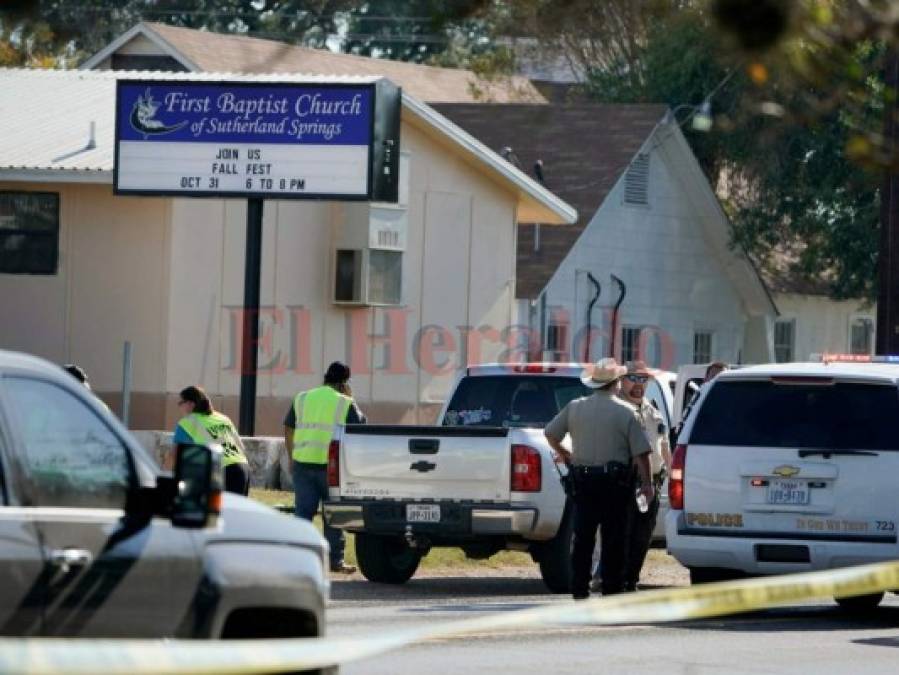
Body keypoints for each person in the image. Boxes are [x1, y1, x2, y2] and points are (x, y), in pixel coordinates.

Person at [544, 357, 653, 599]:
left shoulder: (574, 407)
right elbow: (641, 454)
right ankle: (611, 588)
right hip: (616, 484)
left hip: (583, 481)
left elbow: (550, 433)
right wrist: (647, 483)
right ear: (616, 383)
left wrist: (565, 454)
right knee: (614, 538)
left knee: (583, 537)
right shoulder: (626, 412)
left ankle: (579, 588)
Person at [284, 361, 366, 574]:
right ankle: (335, 562)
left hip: (302, 464)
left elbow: (288, 426)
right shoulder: (345, 402)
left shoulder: (302, 397)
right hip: (331, 469)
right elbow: (361, 428)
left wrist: (292, 455)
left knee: (303, 514)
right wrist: (351, 398)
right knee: (333, 516)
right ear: (344, 382)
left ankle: (297, 560)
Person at [618, 361, 672, 591]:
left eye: (644, 379)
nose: (639, 384)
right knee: (621, 534)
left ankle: (631, 579)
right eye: (633, 378)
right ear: (621, 380)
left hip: (652, 484)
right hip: (625, 481)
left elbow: (664, 446)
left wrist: (672, 473)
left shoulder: (652, 410)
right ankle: (614, 578)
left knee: (642, 536)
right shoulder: (616, 409)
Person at [173, 385, 250, 495]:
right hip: (242, 467)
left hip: (221, 471)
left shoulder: (186, 423)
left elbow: (175, 456)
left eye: (181, 403)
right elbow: (241, 447)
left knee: (216, 511)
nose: (179, 407)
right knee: (237, 510)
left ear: (191, 404)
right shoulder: (223, 418)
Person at [673, 361, 729, 442]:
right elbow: (683, 428)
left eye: (721, 378)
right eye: (713, 377)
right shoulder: (696, 402)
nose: (717, 381)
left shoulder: (733, 405)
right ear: (705, 379)